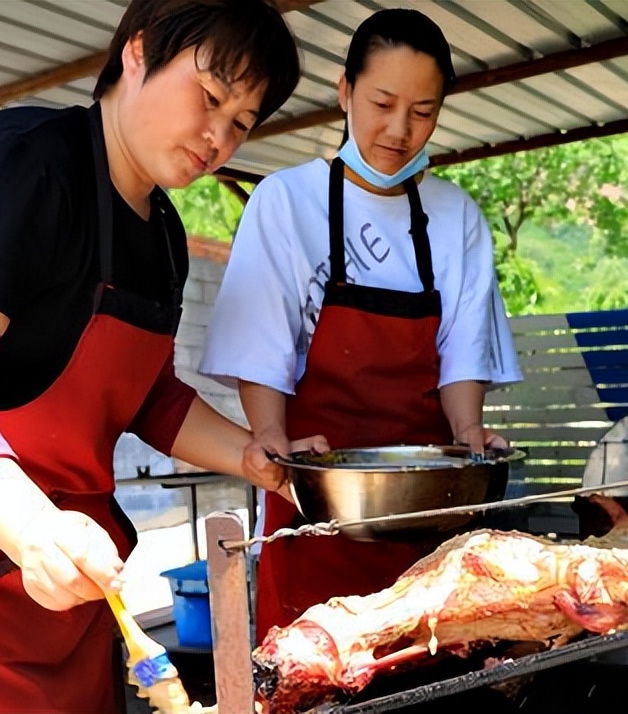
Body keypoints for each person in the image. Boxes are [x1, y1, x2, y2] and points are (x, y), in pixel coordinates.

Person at [0, 1, 322, 711]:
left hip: (68, 584)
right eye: (209, 97)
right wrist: (32, 528)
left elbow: (146, 397)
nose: (218, 136)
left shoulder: (165, 235)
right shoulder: (23, 163)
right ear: (135, 53)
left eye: (241, 121)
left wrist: (258, 457)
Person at [199, 8, 522, 642]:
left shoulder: (457, 216)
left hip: (433, 513)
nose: (400, 129)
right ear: (344, 91)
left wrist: (468, 434)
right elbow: (262, 347)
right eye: (381, 102)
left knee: (429, 663)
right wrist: (269, 435)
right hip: (315, 505)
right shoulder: (286, 202)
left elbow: (463, 352)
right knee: (313, 669)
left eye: (423, 111)